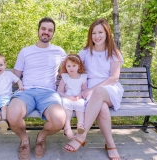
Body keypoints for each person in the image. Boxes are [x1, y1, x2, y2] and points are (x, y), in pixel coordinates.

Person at [6, 17, 67, 160]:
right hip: (26, 92)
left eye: (50, 30)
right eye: (44, 29)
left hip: (48, 94)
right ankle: (24, 140)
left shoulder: (59, 51)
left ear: (53, 33)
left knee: (59, 120)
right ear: (38, 30)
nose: (46, 32)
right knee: (13, 114)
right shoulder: (25, 51)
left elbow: (69, 71)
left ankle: (41, 137)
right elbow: (16, 75)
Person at [64, 18, 124, 160]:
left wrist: (91, 90)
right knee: (102, 108)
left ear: (107, 33)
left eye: (100, 32)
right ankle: (110, 145)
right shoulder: (85, 52)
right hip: (91, 92)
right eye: (93, 33)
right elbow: (73, 65)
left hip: (110, 89)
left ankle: (81, 136)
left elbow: (114, 78)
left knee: (98, 93)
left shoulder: (114, 53)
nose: (96, 36)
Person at [0, 54, 24, 132]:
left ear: (5, 65)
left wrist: (20, 86)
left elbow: (18, 80)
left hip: (6, 97)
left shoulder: (9, 74)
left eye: (1, 65)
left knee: (4, 107)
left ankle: (3, 121)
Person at [57, 54, 87, 139]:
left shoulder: (83, 77)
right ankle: (67, 128)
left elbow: (84, 91)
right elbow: (59, 91)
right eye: (68, 66)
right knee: (67, 105)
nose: (71, 68)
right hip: (67, 97)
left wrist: (79, 96)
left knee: (81, 104)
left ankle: (80, 125)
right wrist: (67, 97)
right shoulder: (65, 77)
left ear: (79, 66)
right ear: (65, 67)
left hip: (78, 97)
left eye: (74, 66)